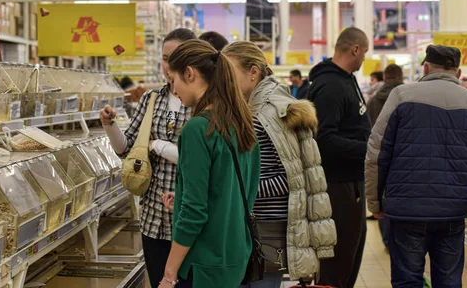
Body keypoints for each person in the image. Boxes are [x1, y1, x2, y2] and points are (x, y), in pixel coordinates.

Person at [365, 45, 467, 288]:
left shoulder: (402, 96)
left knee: (407, 281)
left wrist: (375, 203)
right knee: (448, 281)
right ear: (458, 72)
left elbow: (376, 153)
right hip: (453, 213)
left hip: (406, 210)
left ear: (425, 67)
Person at [223, 41, 336, 288]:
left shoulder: (263, 114)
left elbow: (289, 177)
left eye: (229, 73)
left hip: (268, 225)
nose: (224, 81)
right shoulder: (268, 104)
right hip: (267, 223)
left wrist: (240, 190)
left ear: (253, 72)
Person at [159, 40, 261, 288]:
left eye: (174, 81)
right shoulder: (242, 123)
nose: (174, 90)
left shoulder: (197, 130)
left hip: (203, 264)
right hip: (236, 256)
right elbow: (242, 193)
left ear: (190, 74)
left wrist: (169, 274)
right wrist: (183, 199)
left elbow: (195, 212)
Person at [100, 28, 196, 287]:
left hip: (191, 220)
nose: (168, 66)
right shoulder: (152, 100)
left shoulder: (202, 102)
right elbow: (127, 151)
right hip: (154, 219)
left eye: (175, 57)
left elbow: (198, 159)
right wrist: (110, 125)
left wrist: (158, 145)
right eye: (165, 58)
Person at [307, 27, 371, 288]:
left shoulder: (346, 80)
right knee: (336, 260)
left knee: (350, 256)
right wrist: (368, 149)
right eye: (365, 52)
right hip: (336, 186)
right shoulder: (331, 86)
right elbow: (324, 140)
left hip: (351, 182)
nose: (365, 58)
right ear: (355, 49)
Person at [366, 63, 404, 250]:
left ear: (385, 78)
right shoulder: (408, 98)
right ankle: (397, 241)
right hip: (402, 160)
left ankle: (387, 241)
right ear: (401, 77)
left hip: (380, 156)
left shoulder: (374, 100)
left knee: (382, 198)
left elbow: (369, 129)